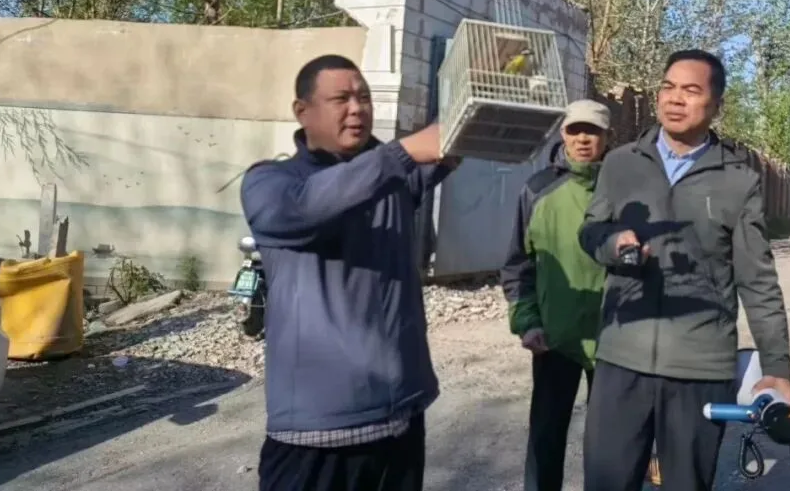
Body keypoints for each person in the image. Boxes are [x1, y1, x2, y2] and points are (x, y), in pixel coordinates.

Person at [578, 49, 790, 491]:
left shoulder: (738, 180)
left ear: (716, 105)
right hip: (621, 358)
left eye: (691, 91)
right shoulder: (621, 163)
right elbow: (590, 229)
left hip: (700, 370)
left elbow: (757, 281)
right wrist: (611, 244)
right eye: (668, 87)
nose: (675, 99)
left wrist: (777, 368)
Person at [240, 54, 458, 491]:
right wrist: (401, 153)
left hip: (400, 423)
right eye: (341, 99)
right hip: (317, 437)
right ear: (302, 111)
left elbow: (457, 135)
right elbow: (308, 207)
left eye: (364, 98)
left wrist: (488, 79)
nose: (357, 109)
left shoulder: (393, 178)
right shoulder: (271, 183)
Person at [501, 99, 613, 491]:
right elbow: (518, 266)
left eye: (592, 131)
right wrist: (527, 322)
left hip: (614, 342)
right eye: (575, 130)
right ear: (562, 133)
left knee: (610, 447)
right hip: (554, 338)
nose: (583, 139)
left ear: (608, 137)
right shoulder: (537, 190)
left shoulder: (625, 191)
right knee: (546, 439)